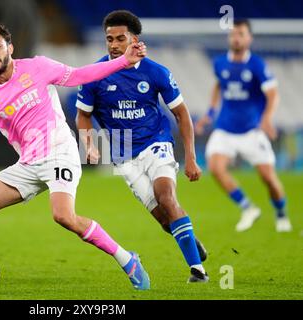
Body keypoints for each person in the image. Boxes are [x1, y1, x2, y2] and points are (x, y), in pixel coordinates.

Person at [0, 23, 151, 290]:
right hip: (28, 163)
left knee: (63, 216)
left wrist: (123, 61)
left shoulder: (38, 67)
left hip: (60, 152)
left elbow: (81, 75)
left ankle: (127, 259)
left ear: (10, 49)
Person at [75, 10, 208, 283]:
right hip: (122, 151)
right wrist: (89, 144)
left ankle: (198, 270)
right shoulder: (95, 75)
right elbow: (83, 116)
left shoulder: (156, 72)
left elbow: (182, 114)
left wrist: (191, 159)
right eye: (109, 39)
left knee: (166, 197)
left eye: (120, 38)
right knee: (163, 219)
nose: (113, 44)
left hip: (156, 141)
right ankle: (191, 241)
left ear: (134, 39)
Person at [195, 19, 292, 233]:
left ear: (249, 38)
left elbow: (273, 94)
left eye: (240, 34)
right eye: (233, 34)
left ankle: (281, 213)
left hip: (251, 131)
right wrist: (209, 114)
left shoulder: (257, 65)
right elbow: (218, 86)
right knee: (216, 168)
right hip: (225, 129)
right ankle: (248, 208)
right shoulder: (220, 63)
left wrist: (267, 118)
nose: (236, 38)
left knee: (268, 178)